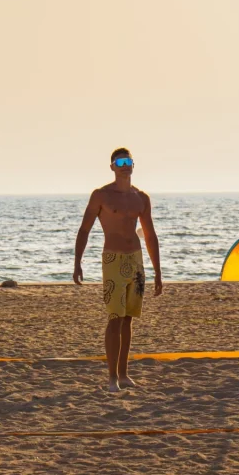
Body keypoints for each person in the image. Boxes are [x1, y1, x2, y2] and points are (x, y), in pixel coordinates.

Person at [73, 148, 162, 392]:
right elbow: (84, 229)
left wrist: (158, 271)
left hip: (135, 260)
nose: (125, 165)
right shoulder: (101, 195)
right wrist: (77, 261)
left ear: (133, 165)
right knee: (114, 317)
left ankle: (123, 374)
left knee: (128, 319)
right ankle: (111, 377)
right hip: (112, 259)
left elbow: (150, 234)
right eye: (119, 162)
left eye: (128, 161)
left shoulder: (141, 198)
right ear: (112, 167)